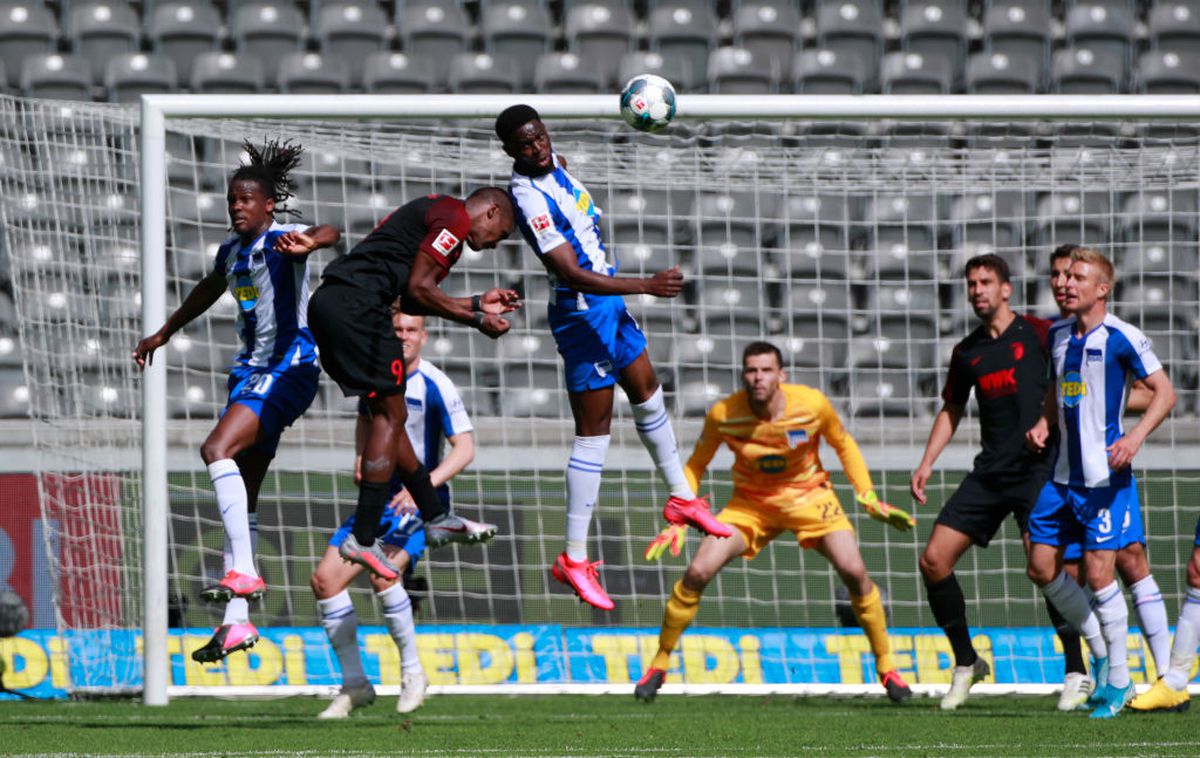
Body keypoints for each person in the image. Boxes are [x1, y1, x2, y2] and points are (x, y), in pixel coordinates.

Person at [495, 104, 732, 612]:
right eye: (525, 145)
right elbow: (571, 271)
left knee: (649, 390)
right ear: (510, 151)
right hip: (582, 314)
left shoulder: (557, 165)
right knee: (594, 434)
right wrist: (645, 284)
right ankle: (573, 559)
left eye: (539, 137)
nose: (535, 148)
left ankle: (681, 497)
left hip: (609, 305)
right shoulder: (528, 196)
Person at [133, 139, 340, 663]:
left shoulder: (280, 242)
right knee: (242, 497)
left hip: (288, 368)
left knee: (215, 450)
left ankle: (244, 574)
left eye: (247, 199)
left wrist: (312, 242)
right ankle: (237, 622)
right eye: (232, 200)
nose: (238, 206)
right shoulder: (230, 252)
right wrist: (164, 332)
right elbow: (208, 287)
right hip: (248, 373)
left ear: (269, 204)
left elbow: (329, 231)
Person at [634, 341, 915, 702]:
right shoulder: (724, 414)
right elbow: (695, 464)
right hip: (750, 506)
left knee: (855, 572)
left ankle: (888, 668)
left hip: (811, 498)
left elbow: (843, 444)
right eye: (751, 370)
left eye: (766, 370)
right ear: (742, 375)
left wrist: (868, 493)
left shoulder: (811, 405)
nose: (758, 377)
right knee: (698, 572)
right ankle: (659, 664)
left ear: (781, 375)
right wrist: (678, 515)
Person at [910, 253, 1108, 710]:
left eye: (985, 282)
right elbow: (953, 408)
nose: (977, 290)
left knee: (1048, 567)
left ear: (1006, 289)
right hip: (991, 472)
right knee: (933, 561)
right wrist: (926, 462)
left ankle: (1077, 669)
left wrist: (1051, 423)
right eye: (971, 283)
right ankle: (966, 662)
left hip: (1041, 469)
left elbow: (1071, 381)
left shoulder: (1043, 334)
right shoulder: (967, 352)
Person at [307, 188, 516, 581]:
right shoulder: (453, 220)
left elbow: (412, 298)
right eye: (501, 236)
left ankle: (435, 515)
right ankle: (365, 536)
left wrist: (475, 304)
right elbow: (420, 291)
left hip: (333, 304)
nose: (493, 247)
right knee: (392, 415)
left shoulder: (436, 216)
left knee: (389, 414)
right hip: (359, 309)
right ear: (491, 212)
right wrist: (476, 322)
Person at [1025, 247, 1176, 719]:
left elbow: (1165, 392)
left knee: (1102, 573)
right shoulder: (1058, 334)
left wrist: (1134, 436)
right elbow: (1059, 387)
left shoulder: (1123, 336)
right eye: (1062, 276)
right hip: (1062, 476)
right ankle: (1106, 654)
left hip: (1105, 478)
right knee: (1040, 565)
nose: (1065, 283)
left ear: (1102, 289)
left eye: (1078, 277)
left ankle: (1120, 680)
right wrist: (1045, 420)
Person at [312, 310, 472, 719]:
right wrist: (360, 458)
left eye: (411, 330)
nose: (404, 336)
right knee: (325, 580)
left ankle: (413, 673)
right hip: (379, 498)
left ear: (424, 336)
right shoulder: (377, 377)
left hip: (420, 502)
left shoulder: (436, 383)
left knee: (384, 573)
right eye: (397, 329)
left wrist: (425, 491)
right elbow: (367, 419)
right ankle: (355, 684)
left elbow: (465, 450)